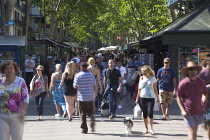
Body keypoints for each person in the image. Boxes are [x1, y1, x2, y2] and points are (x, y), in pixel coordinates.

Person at [176, 61, 207, 140]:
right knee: (192, 133)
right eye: (190, 69)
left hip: (198, 111)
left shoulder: (201, 82)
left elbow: (205, 94)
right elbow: (178, 97)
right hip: (188, 111)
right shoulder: (183, 83)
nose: (193, 71)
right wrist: (182, 110)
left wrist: (203, 105)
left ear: (197, 70)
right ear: (187, 71)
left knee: (195, 132)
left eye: (194, 69)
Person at [0, 60, 29, 140]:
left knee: (17, 138)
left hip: (17, 116)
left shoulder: (20, 81)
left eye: (11, 68)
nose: (9, 70)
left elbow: (25, 98)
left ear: (15, 69)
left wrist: (23, 111)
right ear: (3, 70)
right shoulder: (0, 82)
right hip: (2, 116)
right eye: (7, 68)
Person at [135, 65, 159, 135]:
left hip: (151, 97)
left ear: (149, 72)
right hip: (143, 97)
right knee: (144, 113)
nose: (144, 74)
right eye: (143, 73)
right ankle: (146, 128)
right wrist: (137, 98)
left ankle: (151, 128)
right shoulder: (141, 78)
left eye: (145, 73)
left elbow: (155, 89)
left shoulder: (153, 78)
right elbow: (139, 89)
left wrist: (157, 97)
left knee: (150, 113)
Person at [73, 62, 96, 134]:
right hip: (90, 96)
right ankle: (91, 121)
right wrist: (93, 94)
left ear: (80, 67)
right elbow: (94, 86)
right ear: (87, 67)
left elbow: (75, 86)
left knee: (82, 113)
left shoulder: (78, 75)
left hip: (81, 97)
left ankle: (84, 129)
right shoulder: (91, 75)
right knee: (90, 112)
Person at [197, 53, 210, 139]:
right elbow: (197, 87)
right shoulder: (203, 73)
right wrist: (207, 86)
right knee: (208, 125)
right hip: (207, 103)